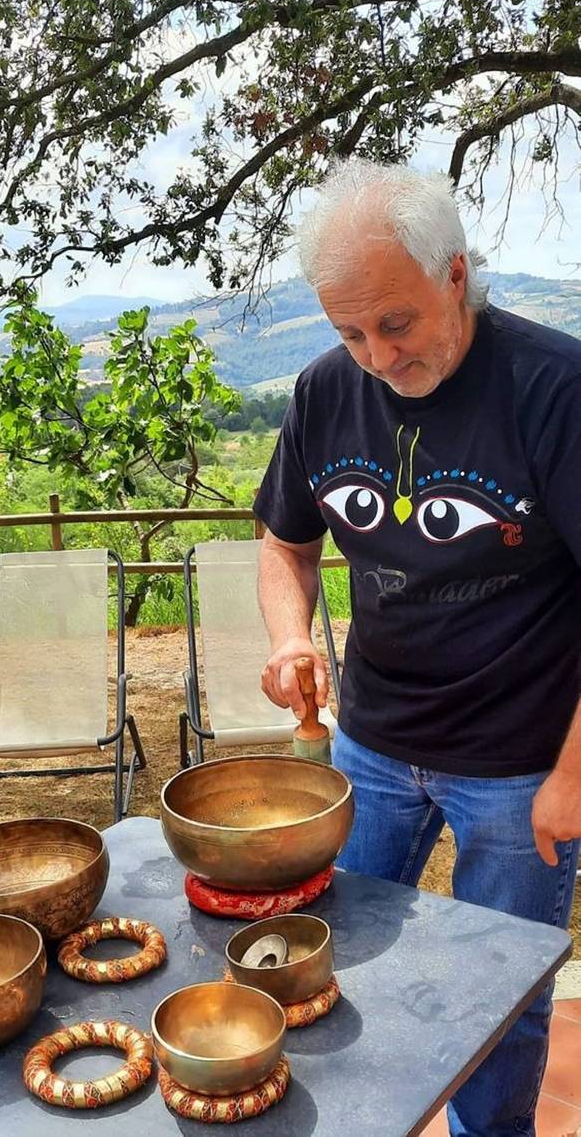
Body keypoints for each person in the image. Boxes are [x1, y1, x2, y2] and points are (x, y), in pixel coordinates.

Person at [254, 156, 581, 1136]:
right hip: (371, 746)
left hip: (520, 768)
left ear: (453, 274)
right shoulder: (322, 392)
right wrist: (287, 637)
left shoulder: (552, 387)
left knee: (502, 989)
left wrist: (570, 772)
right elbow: (283, 542)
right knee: (330, 956)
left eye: (393, 322)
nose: (376, 356)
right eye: (347, 331)